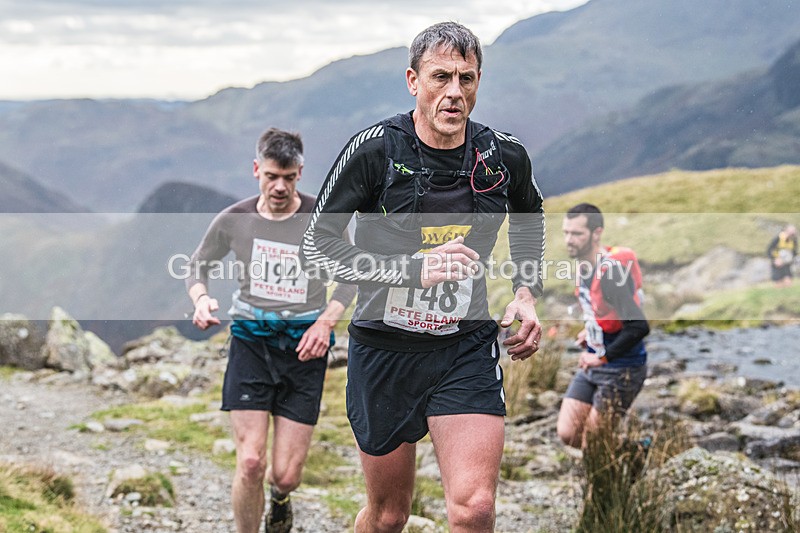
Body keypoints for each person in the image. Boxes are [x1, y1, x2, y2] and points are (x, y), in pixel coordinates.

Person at [300, 22, 545, 532]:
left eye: (467, 78)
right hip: (384, 350)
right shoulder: (375, 150)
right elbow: (316, 245)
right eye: (441, 77)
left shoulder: (502, 154)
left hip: (465, 347)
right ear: (413, 80)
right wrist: (410, 270)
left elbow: (530, 213)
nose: (455, 92)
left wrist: (526, 292)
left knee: (474, 507)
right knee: (389, 516)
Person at [186, 128, 356, 533]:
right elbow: (198, 265)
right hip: (251, 344)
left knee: (284, 475)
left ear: (300, 173)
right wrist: (200, 299)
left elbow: (351, 276)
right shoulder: (234, 219)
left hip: (306, 349)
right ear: (256, 170)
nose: (280, 187)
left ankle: (279, 501)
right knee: (250, 462)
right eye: (271, 177)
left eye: (289, 178)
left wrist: (325, 321)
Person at [556, 203, 650, 449]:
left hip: (622, 368)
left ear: (596, 233)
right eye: (566, 232)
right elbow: (605, 312)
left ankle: (629, 460)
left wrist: (604, 357)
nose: (569, 240)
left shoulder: (610, 275)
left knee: (594, 443)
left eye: (577, 234)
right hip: (595, 359)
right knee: (568, 433)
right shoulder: (584, 266)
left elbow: (639, 327)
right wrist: (590, 331)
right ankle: (633, 452)